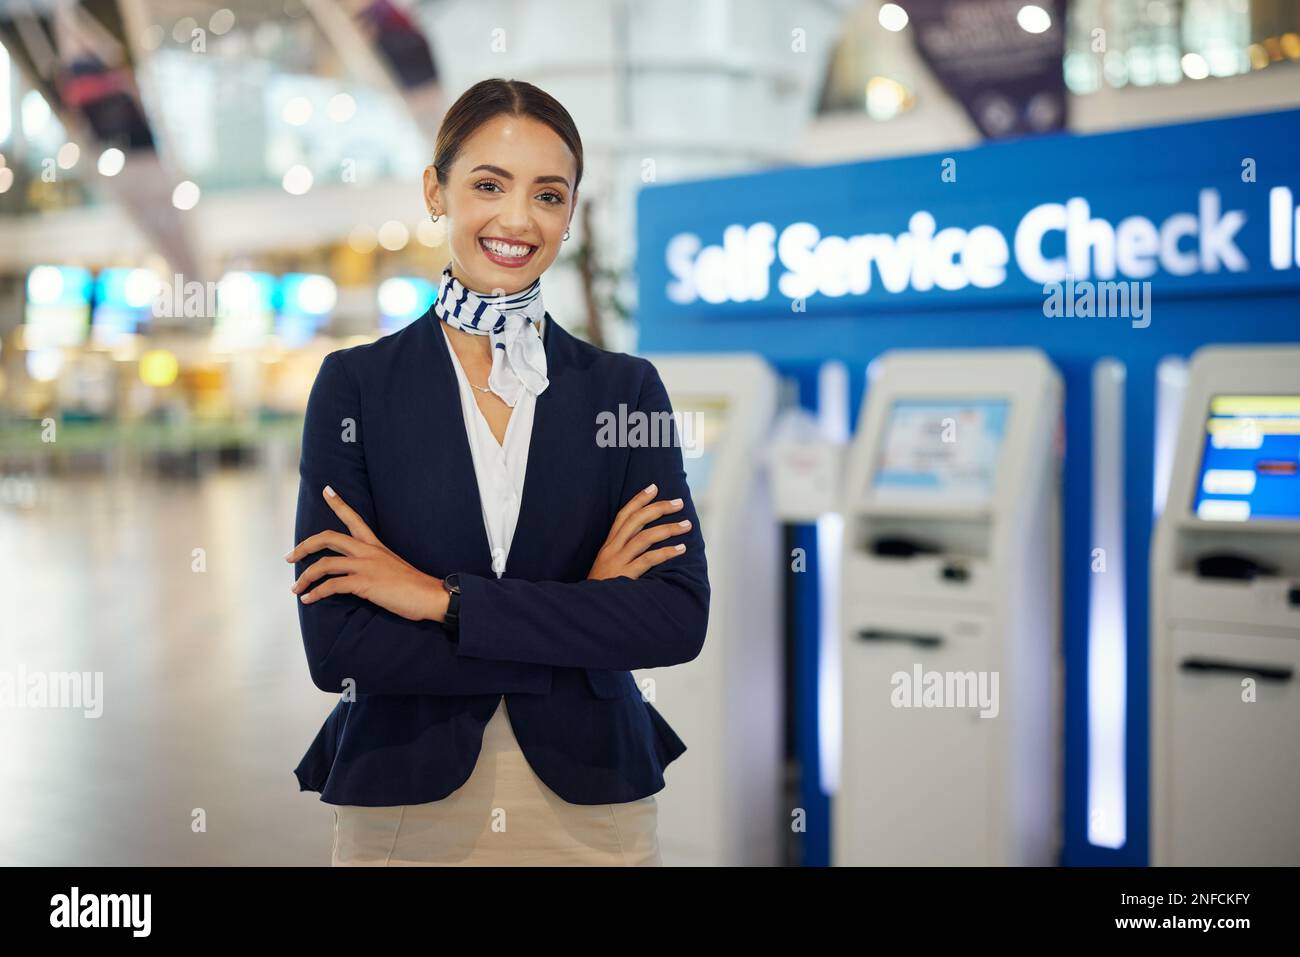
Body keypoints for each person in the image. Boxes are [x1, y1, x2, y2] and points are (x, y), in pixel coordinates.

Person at [284, 77, 709, 866]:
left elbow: (676, 619)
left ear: (571, 213)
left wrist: (435, 599)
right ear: (435, 191)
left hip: (595, 806)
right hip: (405, 803)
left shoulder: (626, 390)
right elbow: (338, 646)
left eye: (548, 194)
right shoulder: (356, 386)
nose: (517, 219)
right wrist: (586, 613)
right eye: (488, 185)